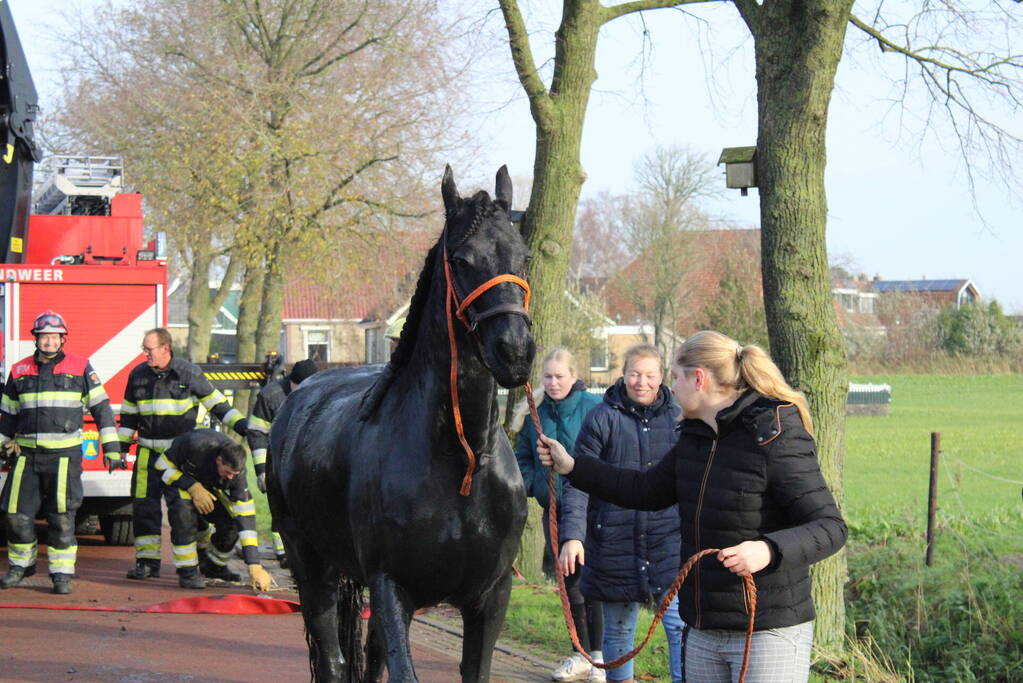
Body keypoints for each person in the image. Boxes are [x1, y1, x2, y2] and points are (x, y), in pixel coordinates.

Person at [539, 331, 848, 683]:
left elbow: (830, 527)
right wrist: (573, 467)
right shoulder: (694, 436)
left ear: (697, 378)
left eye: (674, 376)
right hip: (702, 628)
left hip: (766, 631)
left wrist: (768, 550)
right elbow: (644, 489)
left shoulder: (775, 434)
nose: (670, 385)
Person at [559, 344, 685, 683]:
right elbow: (578, 478)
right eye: (634, 374)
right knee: (617, 631)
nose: (641, 382)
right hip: (613, 541)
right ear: (623, 374)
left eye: (649, 375)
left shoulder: (680, 418)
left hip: (668, 544)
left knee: (678, 625)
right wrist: (573, 535)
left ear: (661, 377)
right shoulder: (601, 418)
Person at [0, 310, 122, 594]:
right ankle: (21, 566)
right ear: (36, 339)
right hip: (26, 456)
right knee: (16, 514)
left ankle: (61, 574)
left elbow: (102, 409)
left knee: (63, 516)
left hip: (65, 457)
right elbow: (7, 415)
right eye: (44, 337)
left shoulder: (81, 367)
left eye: (55, 337)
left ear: (63, 339)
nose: (49, 342)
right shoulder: (18, 370)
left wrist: (112, 448)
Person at [118, 327, 248, 589]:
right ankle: (147, 563)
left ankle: (195, 566)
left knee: (184, 513)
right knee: (144, 508)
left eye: (149, 349)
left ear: (165, 348)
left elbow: (217, 404)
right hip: (147, 453)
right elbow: (129, 414)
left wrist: (246, 427)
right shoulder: (137, 375)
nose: (145, 354)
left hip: (181, 459)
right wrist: (120, 448)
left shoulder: (188, 372)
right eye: (144, 349)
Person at [514, 348, 605, 682]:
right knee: (567, 584)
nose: (553, 383)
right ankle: (579, 653)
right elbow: (522, 456)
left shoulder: (594, 409)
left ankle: (597, 657)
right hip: (553, 510)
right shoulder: (535, 415)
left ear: (573, 375)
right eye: (548, 377)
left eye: (559, 376)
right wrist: (533, 482)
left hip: (592, 510)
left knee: (587, 581)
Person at [154, 428, 273, 591]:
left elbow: (245, 517)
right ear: (219, 460)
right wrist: (193, 487)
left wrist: (254, 565)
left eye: (235, 474)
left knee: (231, 524)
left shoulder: (236, 475)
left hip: (209, 484)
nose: (231, 477)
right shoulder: (195, 444)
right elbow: (160, 466)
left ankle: (214, 567)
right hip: (178, 481)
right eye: (228, 472)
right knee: (184, 518)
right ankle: (187, 573)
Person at [246, 358, 319, 567]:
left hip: (306, 460)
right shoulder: (271, 395)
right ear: (291, 382)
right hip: (277, 459)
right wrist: (262, 472)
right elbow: (257, 433)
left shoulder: (319, 391)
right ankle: (284, 553)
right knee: (281, 507)